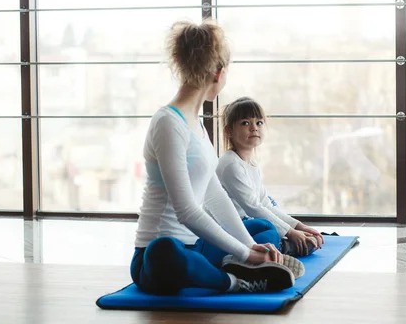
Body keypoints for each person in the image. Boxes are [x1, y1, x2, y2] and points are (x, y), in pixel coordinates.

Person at [130, 20, 302, 296]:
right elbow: (186, 212)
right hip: (156, 257)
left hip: (197, 245)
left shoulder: (196, 125)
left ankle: (231, 267)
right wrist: (246, 255)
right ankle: (236, 282)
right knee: (164, 251)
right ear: (219, 73)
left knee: (262, 229)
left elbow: (215, 196)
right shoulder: (167, 123)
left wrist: (249, 246)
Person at [217, 97, 325, 257]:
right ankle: (280, 248)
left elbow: (265, 203)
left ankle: (282, 248)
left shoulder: (251, 164)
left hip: (250, 223)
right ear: (229, 131)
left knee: (275, 220)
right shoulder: (230, 164)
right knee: (268, 231)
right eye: (245, 123)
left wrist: (299, 227)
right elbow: (253, 207)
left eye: (259, 122)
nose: (254, 128)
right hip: (232, 228)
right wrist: (290, 233)